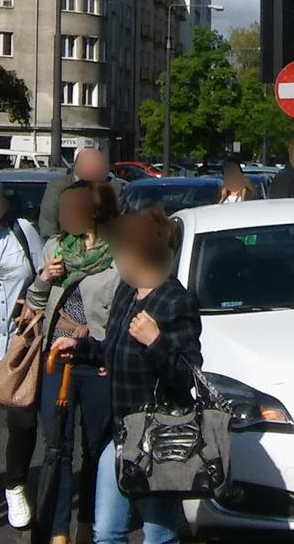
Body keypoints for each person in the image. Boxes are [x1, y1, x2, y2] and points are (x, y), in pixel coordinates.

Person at [51, 207, 201, 544]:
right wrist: (78, 347)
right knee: (106, 532)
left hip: (160, 436)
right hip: (121, 431)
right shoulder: (127, 293)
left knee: (157, 534)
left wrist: (155, 341)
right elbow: (112, 348)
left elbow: (186, 373)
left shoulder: (174, 301)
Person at [28, 181, 121, 544]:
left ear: (93, 212)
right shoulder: (55, 248)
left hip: (97, 360)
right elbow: (36, 304)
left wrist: (110, 355)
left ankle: (90, 520)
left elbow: (124, 311)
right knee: (56, 447)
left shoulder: (116, 253)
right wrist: (43, 279)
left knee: (97, 446)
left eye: (71, 210)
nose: (62, 217)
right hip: (57, 358)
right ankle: (58, 530)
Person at [0, 177, 43, 540]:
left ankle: (15, 485)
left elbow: (42, 273)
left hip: (19, 345)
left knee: (23, 422)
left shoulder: (21, 232)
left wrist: (35, 299)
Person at [38, 148, 126, 239]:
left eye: (100, 165)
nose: (97, 169)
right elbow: (48, 225)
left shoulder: (114, 186)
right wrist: (58, 247)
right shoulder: (58, 187)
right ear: (77, 167)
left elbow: (119, 221)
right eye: (91, 165)